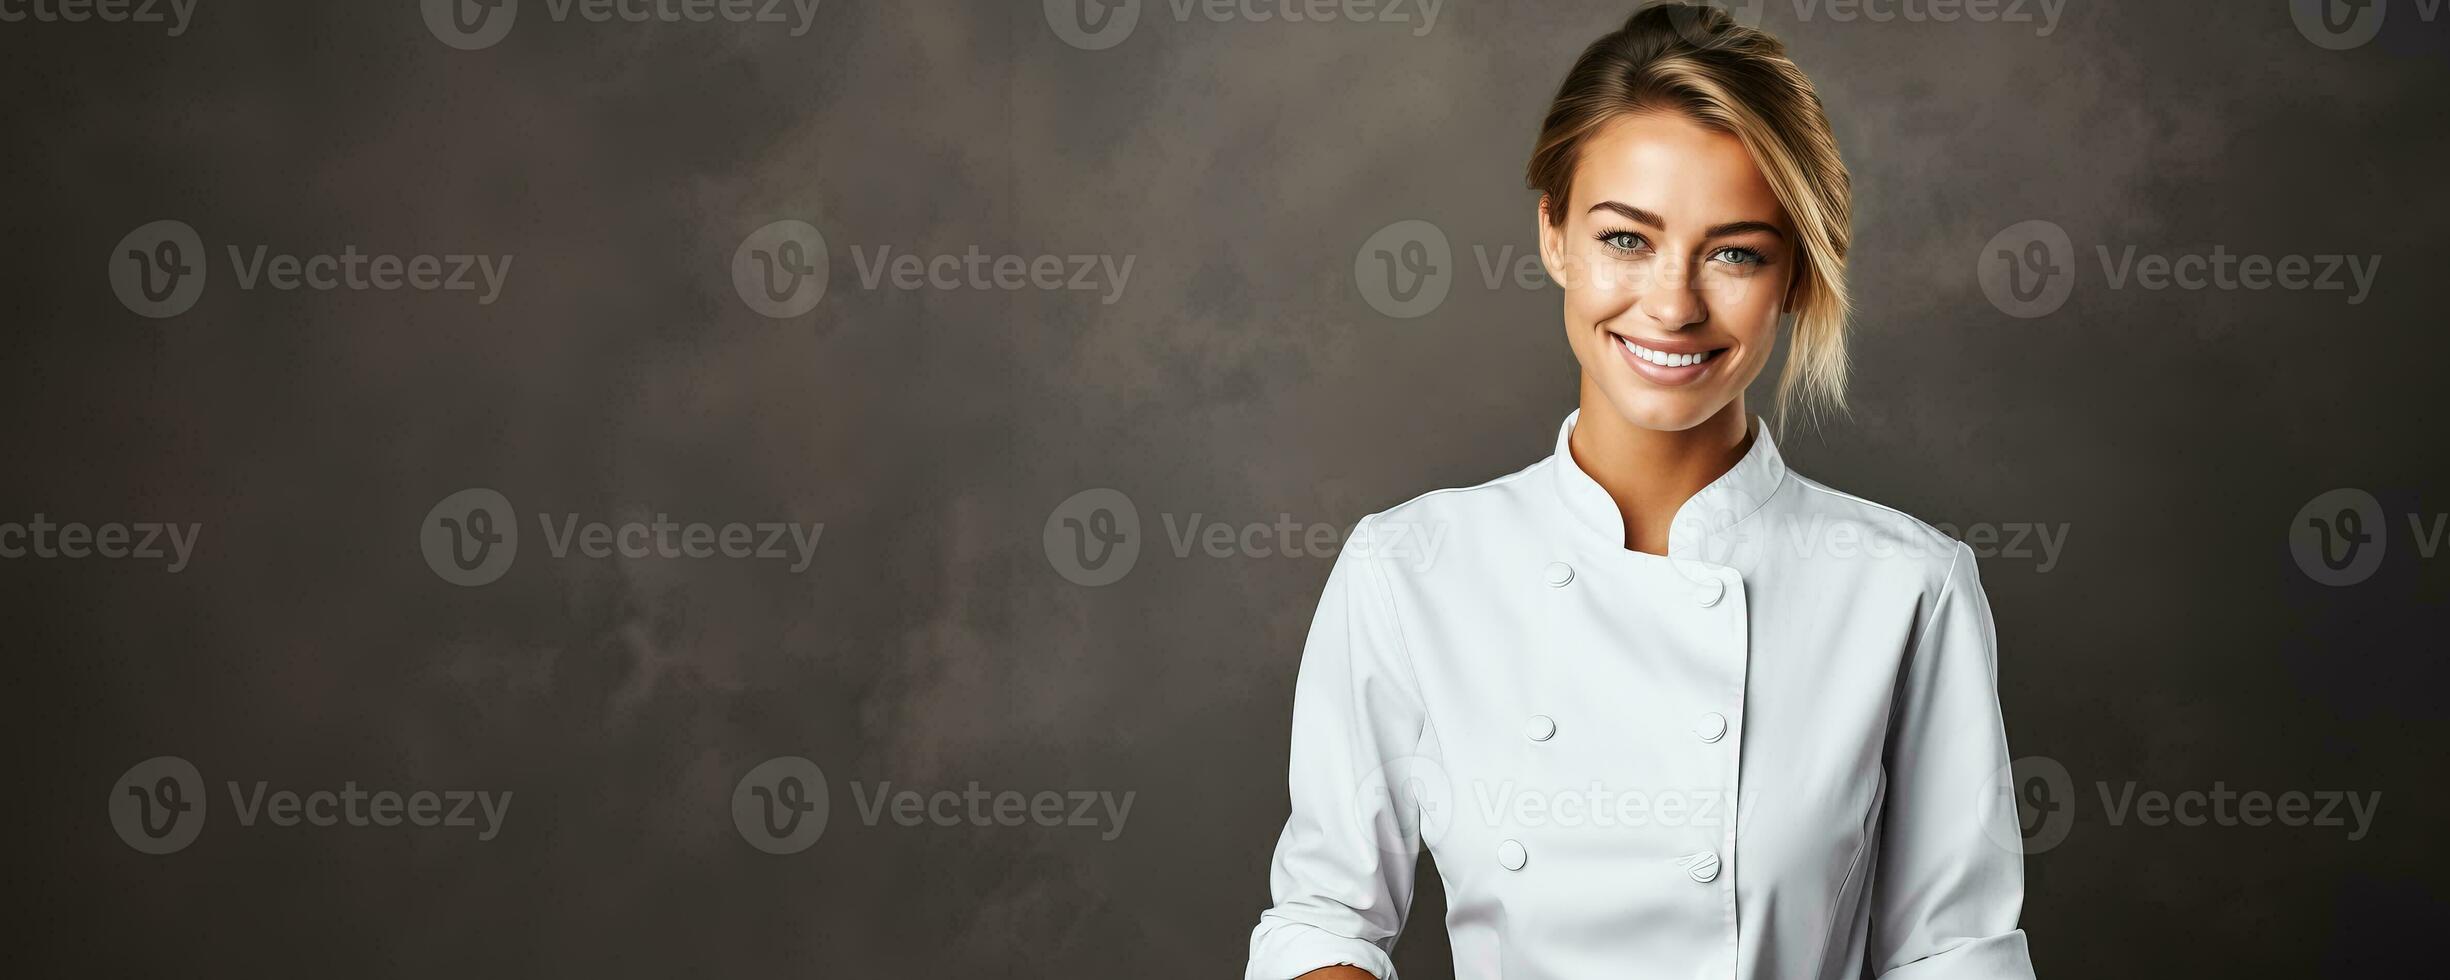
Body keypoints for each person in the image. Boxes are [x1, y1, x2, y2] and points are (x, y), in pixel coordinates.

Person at [1245, 5, 2038, 978]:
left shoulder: (1904, 587)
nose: (1671, 303)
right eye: (1625, 239)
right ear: (1552, 237)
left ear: (1791, 272)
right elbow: (1323, 918)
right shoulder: (1410, 569)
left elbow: (1953, 955)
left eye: (1735, 251)